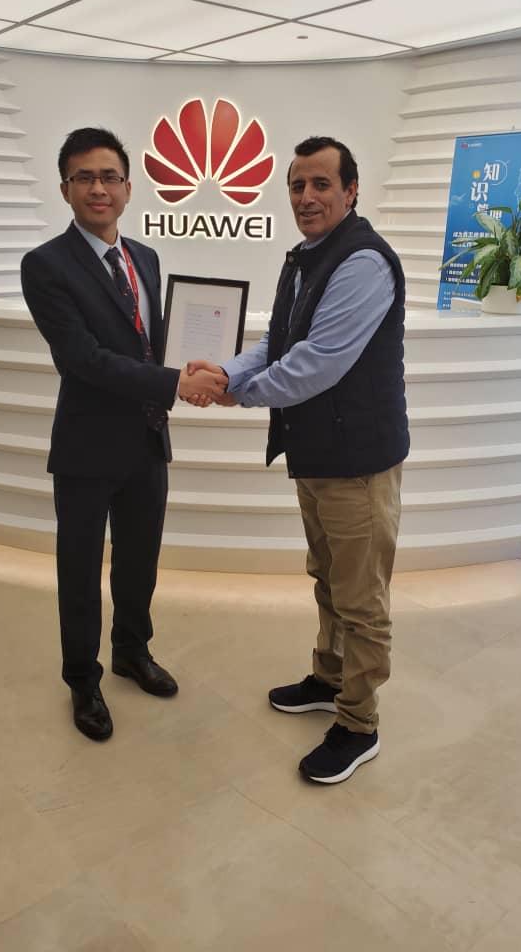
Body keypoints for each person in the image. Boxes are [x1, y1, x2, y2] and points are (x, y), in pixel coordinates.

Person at [188, 136, 409, 783]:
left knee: (361, 599)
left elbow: (318, 363)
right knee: (328, 578)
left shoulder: (363, 262)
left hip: (358, 462)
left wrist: (236, 393)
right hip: (317, 454)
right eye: (297, 185)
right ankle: (329, 679)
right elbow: (277, 343)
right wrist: (227, 370)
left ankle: (359, 723)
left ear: (351, 191)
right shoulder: (305, 258)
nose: (306, 197)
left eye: (320, 184)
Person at [21, 127, 226, 742]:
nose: (98, 188)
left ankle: (132, 652)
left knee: (139, 562)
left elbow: (149, 342)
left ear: (128, 188)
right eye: (84, 177)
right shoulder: (46, 265)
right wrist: (174, 383)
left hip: (146, 440)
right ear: (65, 188)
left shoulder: (146, 258)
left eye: (109, 177)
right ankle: (83, 680)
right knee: (80, 573)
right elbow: (81, 359)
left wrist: (196, 368)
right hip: (87, 447)